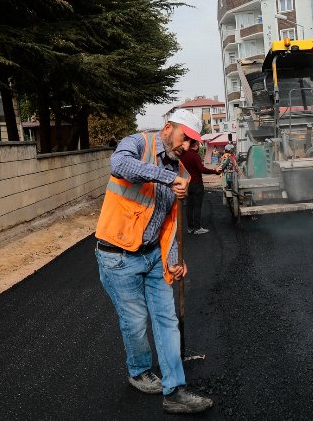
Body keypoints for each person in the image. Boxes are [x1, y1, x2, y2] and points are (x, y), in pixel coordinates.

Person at [94, 108, 214, 414]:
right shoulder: (137, 144)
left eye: (192, 144)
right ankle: (139, 371)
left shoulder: (182, 175)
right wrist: (166, 176)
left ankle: (174, 390)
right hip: (117, 257)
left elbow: (169, 224)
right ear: (169, 128)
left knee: (167, 320)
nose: (186, 147)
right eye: (184, 139)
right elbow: (118, 164)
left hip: (152, 258)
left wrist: (173, 259)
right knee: (135, 323)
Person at [180, 142, 220, 235]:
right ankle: (197, 228)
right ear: (196, 146)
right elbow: (202, 169)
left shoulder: (183, 155)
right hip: (197, 184)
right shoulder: (195, 156)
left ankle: (190, 228)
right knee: (197, 206)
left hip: (186, 184)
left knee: (189, 207)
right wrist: (215, 171)